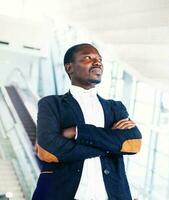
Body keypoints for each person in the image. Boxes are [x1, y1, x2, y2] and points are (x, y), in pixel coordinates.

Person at [32, 43, 142, 200]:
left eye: (100, 59)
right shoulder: (51, 104)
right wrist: (112, 144)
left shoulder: (115, 107)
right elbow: (48, 151)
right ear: (69, 68)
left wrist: (78, 132)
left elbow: (133, 143)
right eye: (88, 58)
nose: (97, 63)